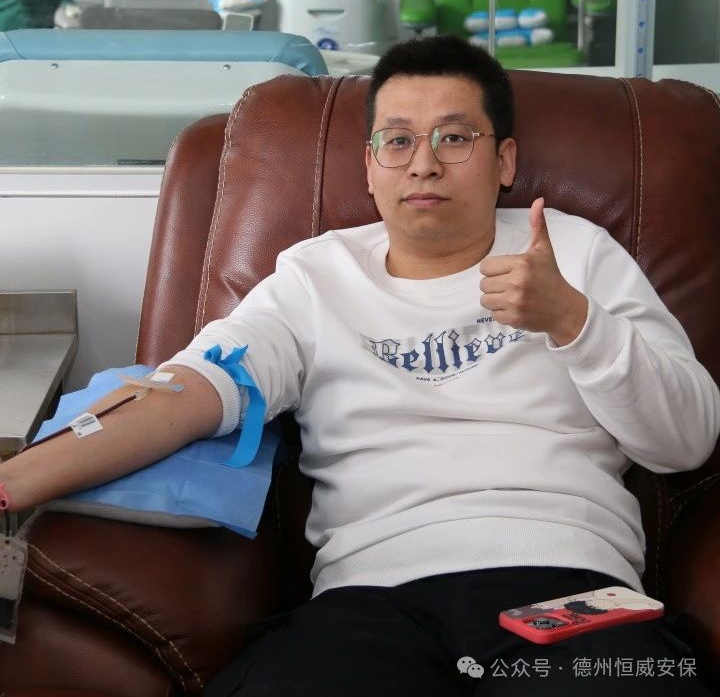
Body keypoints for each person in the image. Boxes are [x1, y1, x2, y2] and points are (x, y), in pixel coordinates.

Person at [1, 35, 718, 695]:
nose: (424, 163)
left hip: (571, 589)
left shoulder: (577, 252)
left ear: (504, 161)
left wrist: (574, 322)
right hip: (371, 601)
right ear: (370, 165)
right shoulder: (317, 276)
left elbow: (685, 441)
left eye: (455, 137)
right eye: (398, 141)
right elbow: (185, 392)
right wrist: (10, 486)